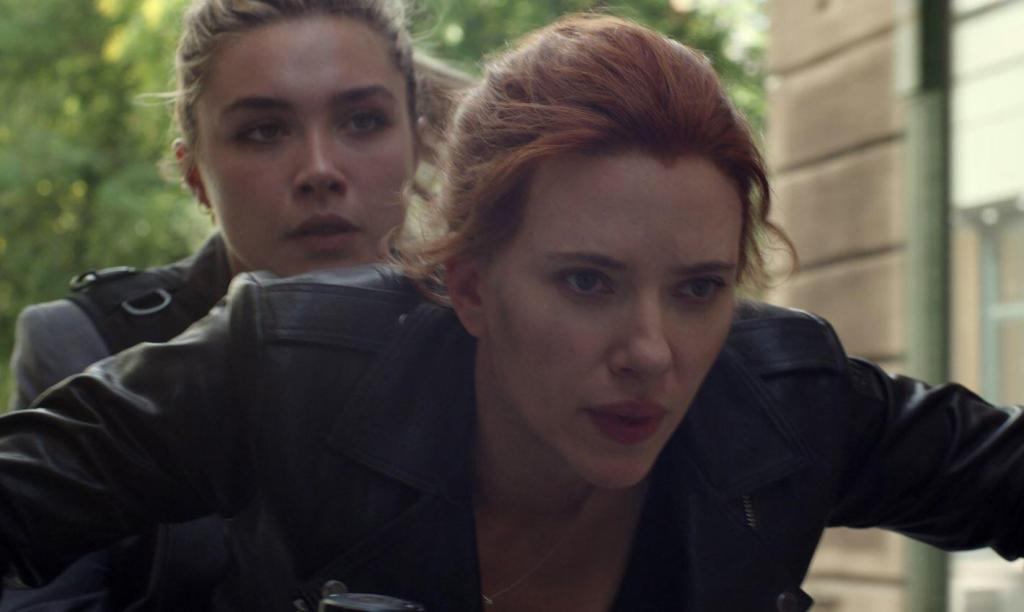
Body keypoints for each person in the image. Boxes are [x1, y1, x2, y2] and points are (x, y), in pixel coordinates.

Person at [1, 13, 1022, 612]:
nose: (650, 353)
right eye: (586, 282)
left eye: (699, 288)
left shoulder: (786, 395)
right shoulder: (291, 361)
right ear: (470, 285)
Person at [2, 0, 470, 609]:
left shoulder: (484, 337)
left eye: (362, 120)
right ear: (194, 172)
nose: (320, 170)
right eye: (263, 131)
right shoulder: (86, 343)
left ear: (418, 141)